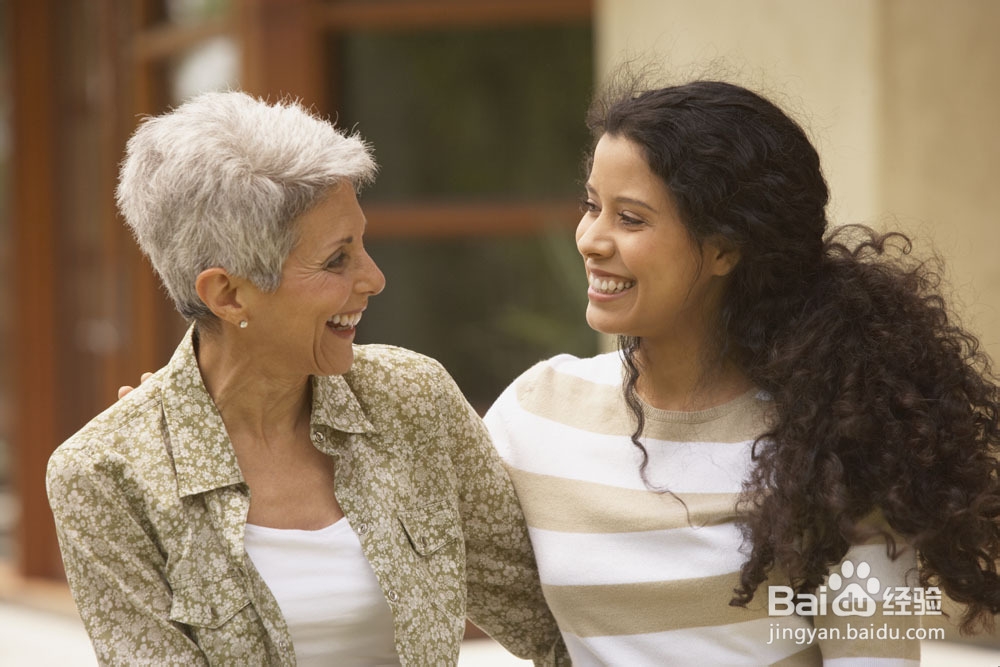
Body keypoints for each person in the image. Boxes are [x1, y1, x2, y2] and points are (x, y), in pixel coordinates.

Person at [484, 79, 1000, 664]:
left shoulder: (831, 440)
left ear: (726, 249)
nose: (590, 239)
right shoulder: (538, 413)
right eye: (591, 205)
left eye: (630, 218)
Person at [46, 91, 567, 666]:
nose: (374, 278)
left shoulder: (414, 399)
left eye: (362, 244)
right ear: (227, 293)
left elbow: (551, 619)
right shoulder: (105, 474)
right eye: (336, 259)